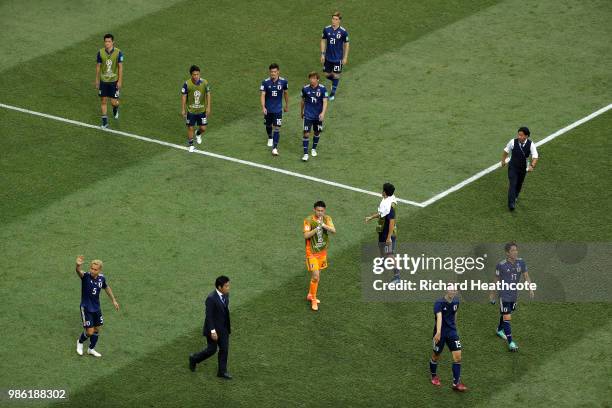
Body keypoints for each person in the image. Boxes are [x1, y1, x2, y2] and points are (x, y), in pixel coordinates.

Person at [489, 242, 534, 352]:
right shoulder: (501, 265)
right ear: (507, 253)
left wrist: (530, 288)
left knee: (507, 313)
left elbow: (526, 276)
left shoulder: (521, 262)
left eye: (516, 250)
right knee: (507, 318)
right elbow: (496, 280)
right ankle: (511, 343)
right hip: (504, 296)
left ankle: (499, 329)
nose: (515, 252)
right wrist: (492, 294)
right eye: (513, 250)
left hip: (514, 295)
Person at [74, 256, 119, 358]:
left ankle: (91, 349)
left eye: (95, 269)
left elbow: (106, 287)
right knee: (90, 332)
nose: (93, 271)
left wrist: (114, 300)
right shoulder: (85, 276)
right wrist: (78, 265)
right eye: (92, 268)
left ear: (100, 270)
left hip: (96, 308)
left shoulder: (101, 278)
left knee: (97, 329)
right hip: (86, 308)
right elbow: (78, 271)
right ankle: (80, 342)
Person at [189, 276, 232, 379]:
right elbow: (209, 317)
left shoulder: (226, 295)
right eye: (226, 286)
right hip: (214, 330)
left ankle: (222, 372)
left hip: (224, 329)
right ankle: (194, 359)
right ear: (219, 287)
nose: (228, 288)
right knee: (211, 350)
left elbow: (224, 311)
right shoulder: (211, 299)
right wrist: (213, 331)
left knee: (224, 349)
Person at [429, 289, 467, 392]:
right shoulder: (439, 303)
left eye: (455, 290)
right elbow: (439, 317)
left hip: (451, 332)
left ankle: (456, 383)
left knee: (458, 356)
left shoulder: (456, 301)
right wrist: (438, 332)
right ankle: (433, 376)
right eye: (451, 290)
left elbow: (455, 313)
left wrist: (454, 326)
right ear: (446, 290)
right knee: (436, 356)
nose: (453, 292)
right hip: (440, 333)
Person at [303, 201, 336, 311]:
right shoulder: (308, 220)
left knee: (316, 277)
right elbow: (306, 235)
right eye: (318, 210)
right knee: (316, 276)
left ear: (324, 210)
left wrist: (323, 225)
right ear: (314, 210)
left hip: (322, 252)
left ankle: (310, 294)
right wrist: (317, 228)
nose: (320, 213)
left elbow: (333, 231)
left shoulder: (327, 219)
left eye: (322, 211)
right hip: (311, 253)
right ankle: (313, 299)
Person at [365, 183, 399, 282]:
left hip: (388, 233)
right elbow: (382, 213)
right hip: (383, 231)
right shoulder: (388, 200)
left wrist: (388, 238)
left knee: (389, 254)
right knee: (382, 248)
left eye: (383, 190)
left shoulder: (390, 206)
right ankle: (383, 263)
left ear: (384, 192)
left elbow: (392, 222)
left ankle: (397, 275)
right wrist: (371, 217)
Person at [501, 126, 539, 211]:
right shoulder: (513, 142)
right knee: (513, 184)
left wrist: (532, 166)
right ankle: (511, 204)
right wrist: (503, 160)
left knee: (519, 184)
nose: (519, 137)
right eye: (519, 135)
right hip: (513, 167)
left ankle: (515, 195)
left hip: (523, 169)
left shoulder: (531, 144)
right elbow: (506, 151)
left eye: (521, 135)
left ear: (526, 136)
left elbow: (535, 156)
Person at [95, 34, 124, 128]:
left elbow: (120, 67)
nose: (107, 43)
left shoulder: (118, 52)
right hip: (103, 81)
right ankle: (104, 122)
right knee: (103, 101)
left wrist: (119, 81)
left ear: (113, 42)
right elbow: (98, 67)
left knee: (113, 102)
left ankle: (115, 108)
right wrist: (97, 80)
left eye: (109, 41)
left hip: (114, 81)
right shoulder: (100, 52)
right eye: (105, 41)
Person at [260, 63, 289, 156]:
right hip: (268, 109)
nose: (273, 73)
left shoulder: (284, 82)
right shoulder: (265, 82)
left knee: (277, 128)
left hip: (278, 110)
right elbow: (263, 95)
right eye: (272, 72)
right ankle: (270, 137)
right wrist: (263, 107)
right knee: (268, 125)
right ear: (269, 72)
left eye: (275, 72)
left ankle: (275, 148)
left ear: (278, 72)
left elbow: (286, 93)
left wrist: (287, 105)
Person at [320, 11, 349, 100]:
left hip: (338, 59)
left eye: (336, 19)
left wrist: (345, 57)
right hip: (328, 57)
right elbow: (323, 41)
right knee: (326, 74)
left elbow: (347, 44)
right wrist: (322, 54)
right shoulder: (326, 29)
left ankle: (332, 94)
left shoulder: (343, 32)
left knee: (336, 75)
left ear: (339, 21)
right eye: (333, 19)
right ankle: (335, 81)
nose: (333, 21)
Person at [181, 65, 211, 152]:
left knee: (203, 128)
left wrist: (208, 107)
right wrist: (183, 109)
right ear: (191, 75)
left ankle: (198, 134)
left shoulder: (204, 82)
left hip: (202, 110)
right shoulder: (187, 84)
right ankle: (191, 144)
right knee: (190, 127)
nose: (196, 76)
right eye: (194, 74)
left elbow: (208, 94)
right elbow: (183, 96)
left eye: (197, 74)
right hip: (191, 111)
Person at [300, 72, 328, 161]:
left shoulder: (323, 89)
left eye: (313, 78)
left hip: (318, 116)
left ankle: (313, 149)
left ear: (317, 79)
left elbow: (325, 102)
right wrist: (301, 111)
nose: (311, 80)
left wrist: (323, 113)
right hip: (308, 115)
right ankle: (305, 154)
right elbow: (302, 101)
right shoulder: (305, 89)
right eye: (310, 78)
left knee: (317, 132)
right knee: (306, 133)